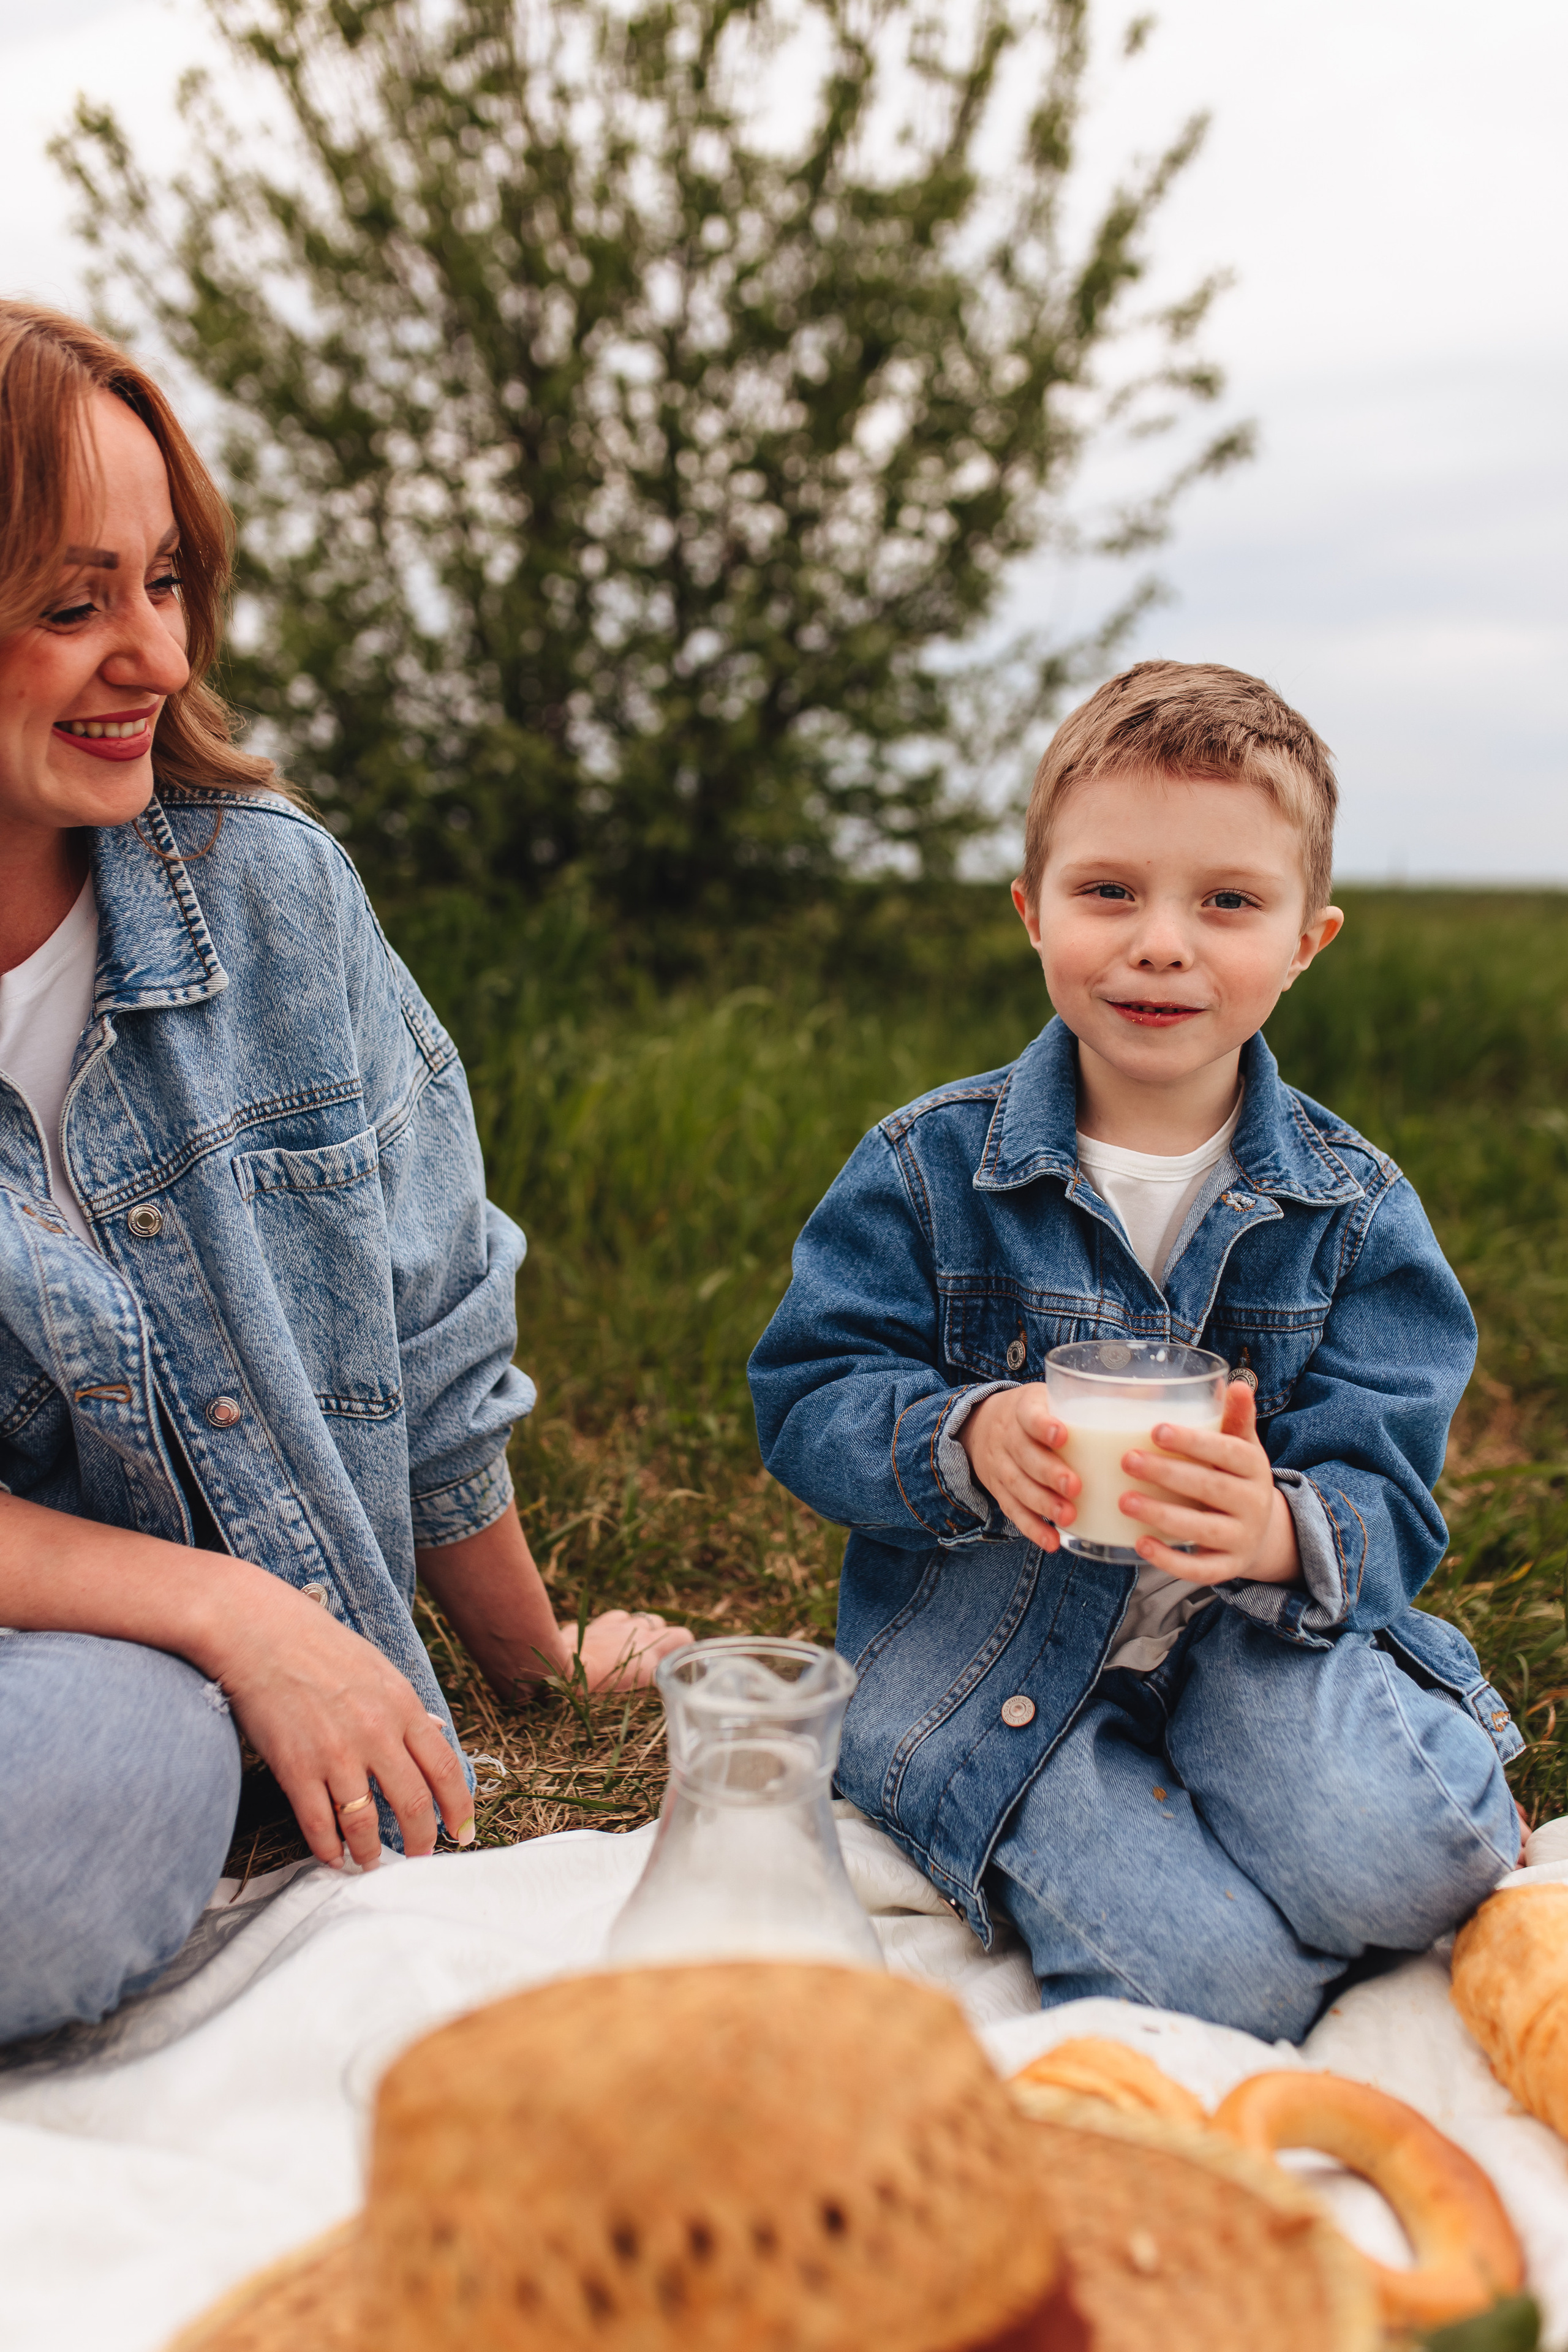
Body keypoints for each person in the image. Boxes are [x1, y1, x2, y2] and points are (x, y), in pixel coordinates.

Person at [0, 303, 690, 2044]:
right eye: (72, 603)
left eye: (166, 584)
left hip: (101, 1739)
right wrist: (231, 1611)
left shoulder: (275, 901)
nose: (149, 655)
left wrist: (539, 1672)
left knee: (111, 1765)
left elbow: (434, 1333)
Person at [748, 660, 1522, 2043]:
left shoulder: (1351, 1208)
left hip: (1246, 1637)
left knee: (1421, 1867)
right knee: (1224, 1991)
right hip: (997, 1668)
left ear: (1306, 939)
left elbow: (1391, 1493)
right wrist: (962, 1439)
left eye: (1226, 902)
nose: (1160, 944)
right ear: (1030, 913)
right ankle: (1141, 1833)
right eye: (1108, 891)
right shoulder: (926, 1170)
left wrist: (1284, 1529)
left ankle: (1281, 1781)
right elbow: (806, 1395)